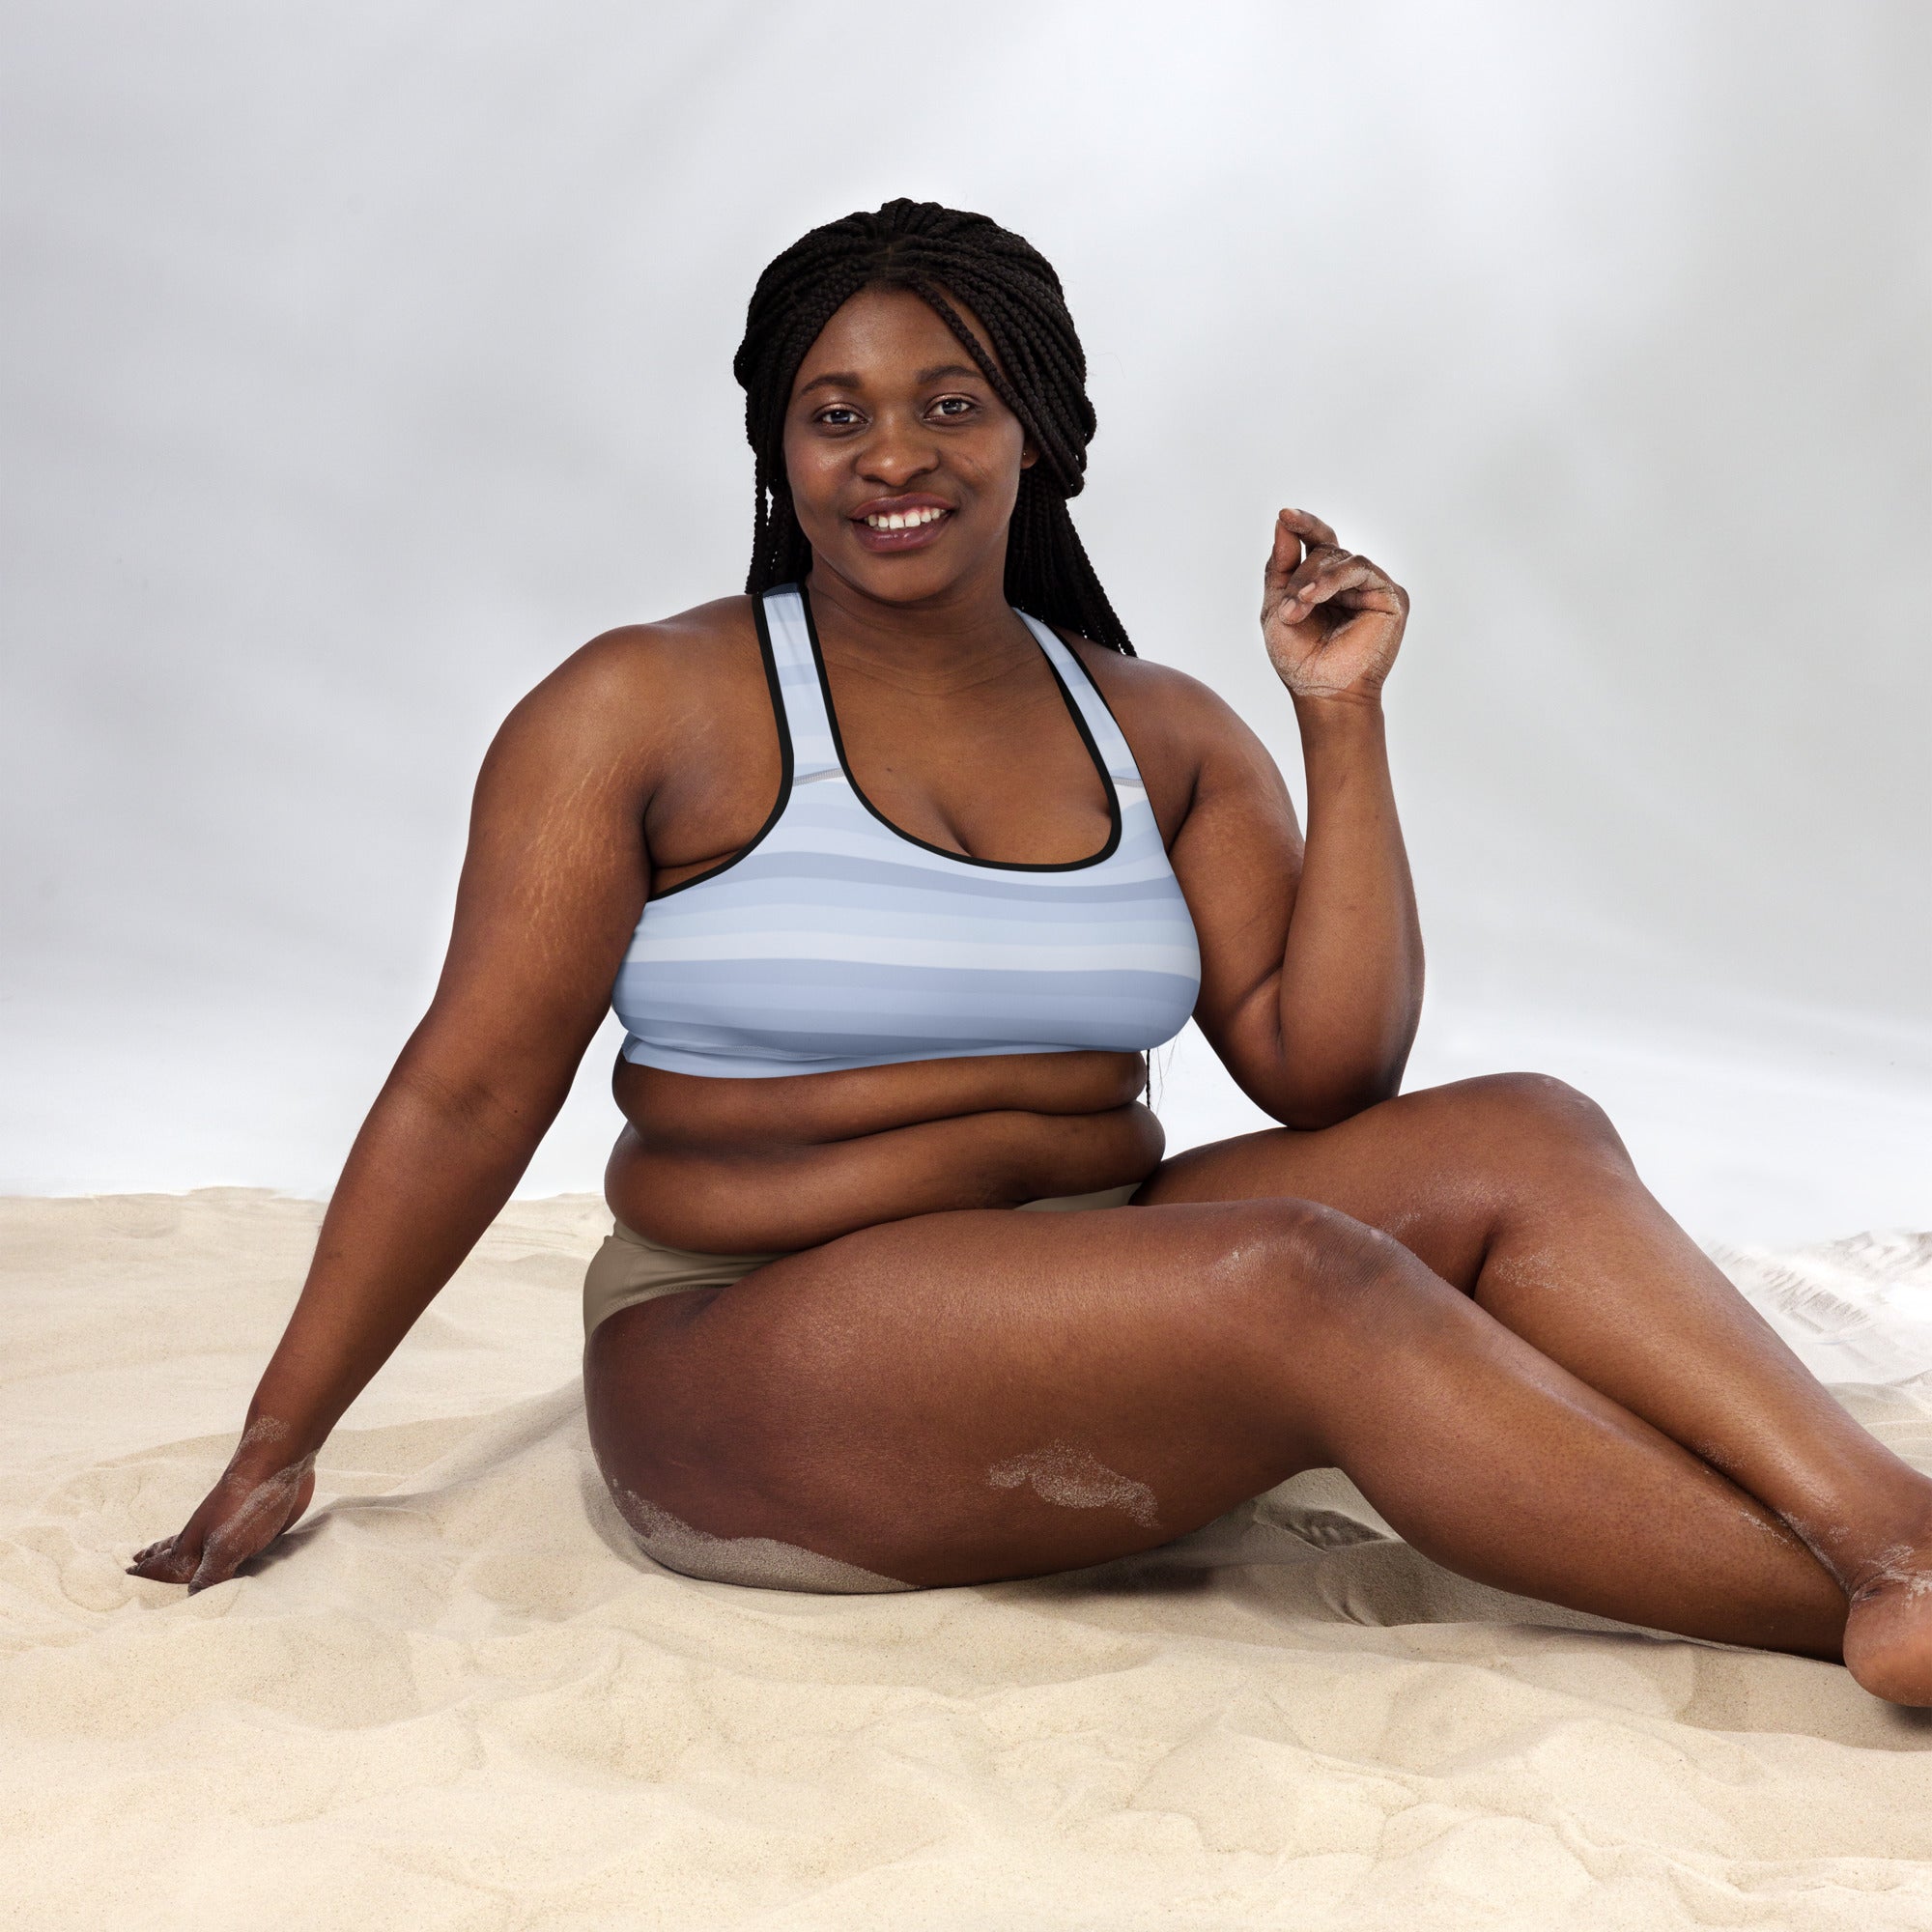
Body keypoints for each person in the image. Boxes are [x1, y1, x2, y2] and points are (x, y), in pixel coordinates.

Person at [128, 199, 1932, 1704]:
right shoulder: (642, 706)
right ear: (777, 444)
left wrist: (1342, 719)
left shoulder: (1154, 725)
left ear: (1039, 432)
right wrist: (287, 1433)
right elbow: (468, 1086)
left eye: (951, 405)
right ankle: (1847, 1612)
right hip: (754, 1356)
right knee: (1296, 1274)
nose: (893, 458)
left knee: (1526, 1127)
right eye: (835, 416)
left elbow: (1329, 1071)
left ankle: (1895, 1539)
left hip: (1094, 1287)